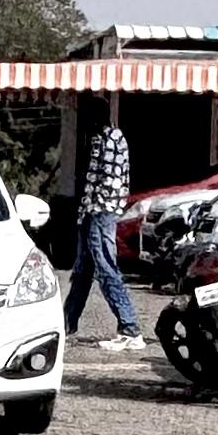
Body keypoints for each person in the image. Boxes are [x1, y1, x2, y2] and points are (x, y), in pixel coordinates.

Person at [64, 123, 136, 345]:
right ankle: (66, 325)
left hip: (100, 211)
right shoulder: (106, 137)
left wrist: (95, 208)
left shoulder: (109, 138)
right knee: (82, 271)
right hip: (93, 211)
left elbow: (108, 180)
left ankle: (130, 328)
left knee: (105, 268)